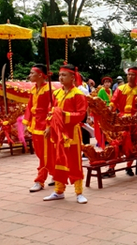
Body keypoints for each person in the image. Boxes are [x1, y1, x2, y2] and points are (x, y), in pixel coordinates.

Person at [43, 64, 88, 203]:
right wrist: (49, 126)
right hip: (57, 133)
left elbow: (81, 115)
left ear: (72, 77)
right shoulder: (56, 93)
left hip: (71, 133)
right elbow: (50, 111)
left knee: (74, 162)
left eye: (64, 75)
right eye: (60, 75)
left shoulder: (79, 94)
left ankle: (79, 192)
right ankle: (58, 190)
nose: (61, 78)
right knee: (58, 160)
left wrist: (64, 115)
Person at [107, 67, 137, 177]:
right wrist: (109, 112)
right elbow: (113, 102)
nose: (130, 77)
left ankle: (129, 166)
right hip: (121, 119)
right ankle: (111, 167)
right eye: (129, 74)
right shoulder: (120, 89)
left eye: (133, 75)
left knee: (134, 144)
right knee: (116, 142)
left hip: (135, 122)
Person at [23, 64, 54, 193]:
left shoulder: (49, 89)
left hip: (45, 125)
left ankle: (40, 180)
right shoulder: (33, 89)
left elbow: (51, 109)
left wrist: (50, 125)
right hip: (35, 124)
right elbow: (29, 107)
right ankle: (55, 174)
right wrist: (26, 123)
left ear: (40, 75)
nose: (29, 76)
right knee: (40, 153)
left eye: (32, 73)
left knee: (45, 154)